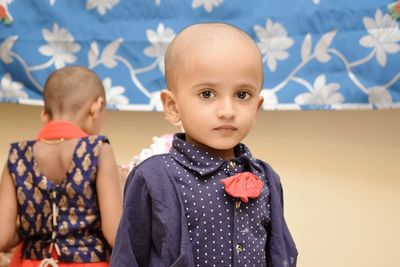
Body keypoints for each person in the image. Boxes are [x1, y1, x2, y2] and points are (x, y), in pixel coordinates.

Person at [110, 23, 298, 267]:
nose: (227, 111)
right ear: (172, 106)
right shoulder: (153, 177)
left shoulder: (267, 178)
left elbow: (279, 254)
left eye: (242, 95)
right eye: (207, 94)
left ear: (257, 107)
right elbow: (128, 257)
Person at [0, 66, 122, 266]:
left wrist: (31, 229)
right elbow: (114, 233)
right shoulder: (98, 149)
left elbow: (3, 236)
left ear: (45, 114)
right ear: (96, 107)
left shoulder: (17, 155)